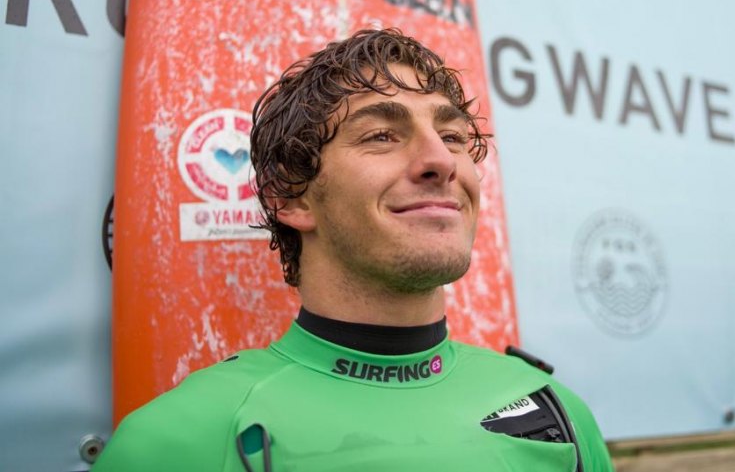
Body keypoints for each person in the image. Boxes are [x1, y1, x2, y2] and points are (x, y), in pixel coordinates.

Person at [93, 28, 615, 471]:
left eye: (453, 137)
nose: (440, 160)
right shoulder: (180, 442)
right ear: (290, 197)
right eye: (382, 135)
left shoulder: (557, 414)